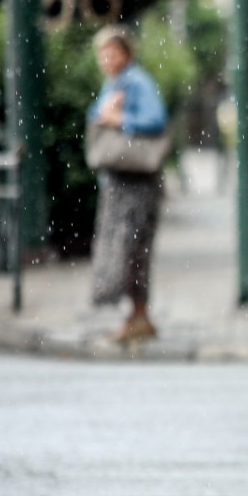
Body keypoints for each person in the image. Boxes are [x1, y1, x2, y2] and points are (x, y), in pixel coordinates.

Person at [87, 25, 168, 343]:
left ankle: (137, 315)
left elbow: (155, 119)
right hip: (121, 179)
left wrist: (120, 120)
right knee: (128, 248)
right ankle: (136, 314)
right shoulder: (116, 83)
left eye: (112, 52)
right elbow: (96, 115)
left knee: (131, 248)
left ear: (126, 53)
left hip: (137, 181)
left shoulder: (136, 82)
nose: (107, 59)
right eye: (102, 54)